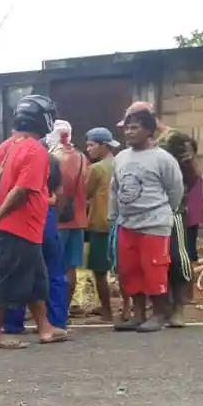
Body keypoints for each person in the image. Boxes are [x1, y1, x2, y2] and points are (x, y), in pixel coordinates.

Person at [0, 94, 67, 349]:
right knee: (8, 279)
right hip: (18, 226)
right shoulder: (35, 149)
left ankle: (45, 327)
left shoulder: (5, 145)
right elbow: (22, 190)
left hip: (25, 227)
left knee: (37, 279)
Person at [109, 107, 185, 332]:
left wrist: (163, 213)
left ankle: (160, 314)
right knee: (130, 270)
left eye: (135, 128)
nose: (129, 132)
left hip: (154, 224)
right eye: (127, 128)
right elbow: (115, 188)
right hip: (127, 224)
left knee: (154, 270)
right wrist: (113, 215)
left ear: (149, 131)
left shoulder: (163, 158)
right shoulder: (121, 157)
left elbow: (175, 189)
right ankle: (138, 314)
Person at [49, 120, 90, 311]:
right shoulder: (82, 157)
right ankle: (64, 310)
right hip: (79, 219)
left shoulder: (54, 158)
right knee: (71, 266)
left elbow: (56, 191)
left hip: (58, 220)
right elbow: (87, 187)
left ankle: (54, 311)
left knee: (54, 267)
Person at [83, 127, 119, 321]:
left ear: (103, 145)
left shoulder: (96, 169)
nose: (88, 149)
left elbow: (85, 194)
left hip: (100, 223)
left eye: (91, 145)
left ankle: (107, 311)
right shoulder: (120, 163)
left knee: (99, 271)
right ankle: (128, 309)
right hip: (119, 222)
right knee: (122, 269)